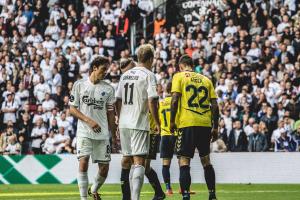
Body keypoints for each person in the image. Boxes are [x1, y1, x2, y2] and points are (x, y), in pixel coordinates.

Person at [170, 55, 219, 200]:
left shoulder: (179, 77)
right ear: (192, 65)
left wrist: (172, 121)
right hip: (204, 124)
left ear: (181, 66)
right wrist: (215, 127)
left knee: (184, 161)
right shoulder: (206, 79)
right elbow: (215, 106)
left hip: (187, 123)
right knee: (206, 161)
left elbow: (174, 100)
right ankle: (212, 194)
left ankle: (185, 196)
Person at [116, 44, 160, 200]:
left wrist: (119, 118)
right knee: (139, 161)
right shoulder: (149, 75)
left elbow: (118, 100)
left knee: (127, 159)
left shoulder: (125, 75)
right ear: (150, 59)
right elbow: (152, 101)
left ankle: (126, 197)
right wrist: (158, 123)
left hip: (124, 123)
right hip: (138, 122)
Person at [69, 56, 117, 200]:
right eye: (103, 69)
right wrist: (89, 121)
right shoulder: (79, 85)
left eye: (107, 70)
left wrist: (113, 134)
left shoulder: (108, 88)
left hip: (102, 134)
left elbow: (110, 113)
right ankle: (84, 198)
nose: (105, 73)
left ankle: (94, 189)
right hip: (84, 131)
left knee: (104, 168)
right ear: (94, 68)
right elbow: (72, 109)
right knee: (83, 162)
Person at [159, 82, 177, 195]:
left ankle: (168, 188)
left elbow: (159, 120)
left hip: (165, 135)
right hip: (176, 134)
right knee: (183, 162)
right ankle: (184, 188)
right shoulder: (177, 102)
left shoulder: (161, 103)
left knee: (166, 164)